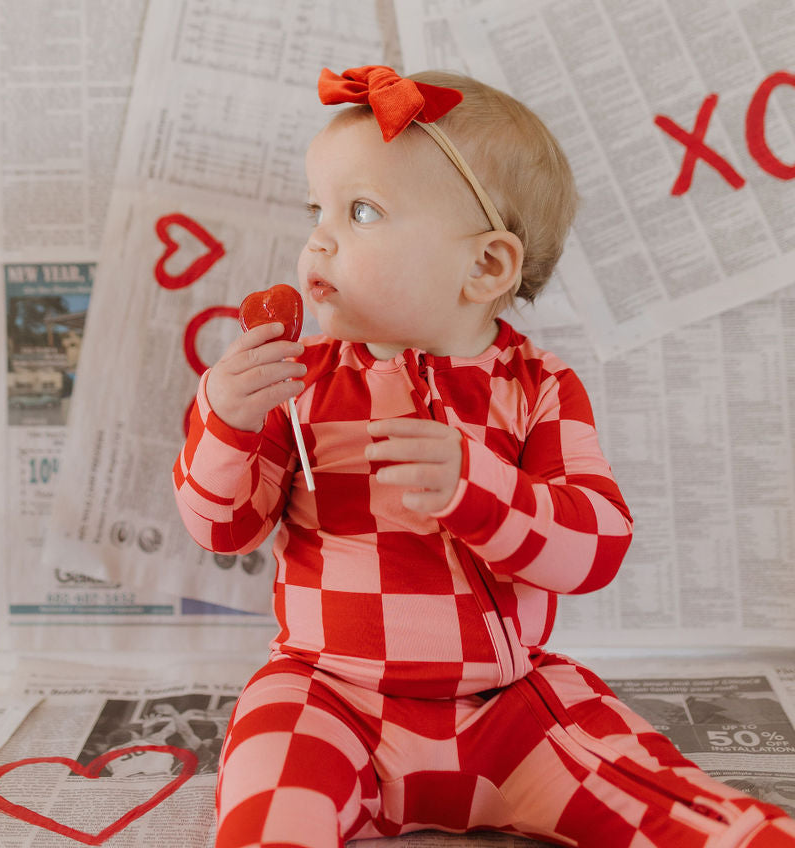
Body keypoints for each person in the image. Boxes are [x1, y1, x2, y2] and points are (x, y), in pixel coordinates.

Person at [174, 65, 795, 848]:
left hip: (511, 705)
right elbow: (222, 527)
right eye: (317, 211)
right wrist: (225, 420)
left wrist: (480, 490)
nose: (317, 239)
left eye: (361, 211)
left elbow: (596, 546)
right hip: (327, 694)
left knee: (690, 814)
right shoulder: (300, 381)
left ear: (487, 268)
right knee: (268, 813)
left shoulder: (539, 388)